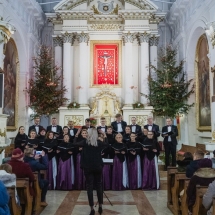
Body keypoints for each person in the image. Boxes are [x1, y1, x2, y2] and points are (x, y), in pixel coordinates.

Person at [74, 128, 107, 215]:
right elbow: (106, 144)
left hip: (88, 167)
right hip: (98, 166)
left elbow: (74, 143)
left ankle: (92, 208)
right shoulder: (99, 142)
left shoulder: (85, 142)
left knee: (89, 187)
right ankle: (100, 206)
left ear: (89, 134)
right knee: (99, 186)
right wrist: (104, 135)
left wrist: (77, 134)